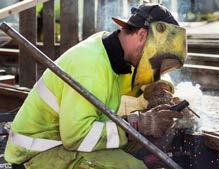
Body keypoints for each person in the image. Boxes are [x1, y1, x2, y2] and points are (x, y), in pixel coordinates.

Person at [5, 4, 187, 169]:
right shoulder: (90, 66)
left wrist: (162, 88)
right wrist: (139, 124)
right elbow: (77, 137)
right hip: (38, 153)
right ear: (141, 35)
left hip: (63, 140)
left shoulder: (118, 54)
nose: (157, 70)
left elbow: (146, 77)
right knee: (133, 167)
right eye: (159, 61)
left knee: (150, 147)